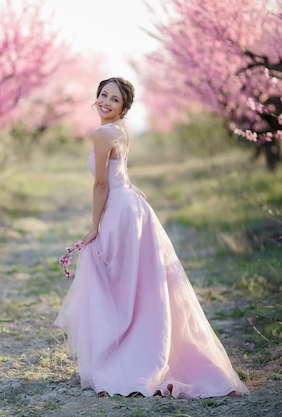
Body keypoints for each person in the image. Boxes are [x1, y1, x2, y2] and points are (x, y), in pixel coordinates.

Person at [54, 77, 249, 398]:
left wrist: (93, 226)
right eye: (102, 95)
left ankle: (127, 357)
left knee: (119, 281)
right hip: (134, 209)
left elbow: (101, 185)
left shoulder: (103, 132)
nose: (105, 101)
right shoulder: (118, 130)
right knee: (138, 286)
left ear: (124, 107)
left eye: (113, 99)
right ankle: (138, 348)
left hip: (120, 212)